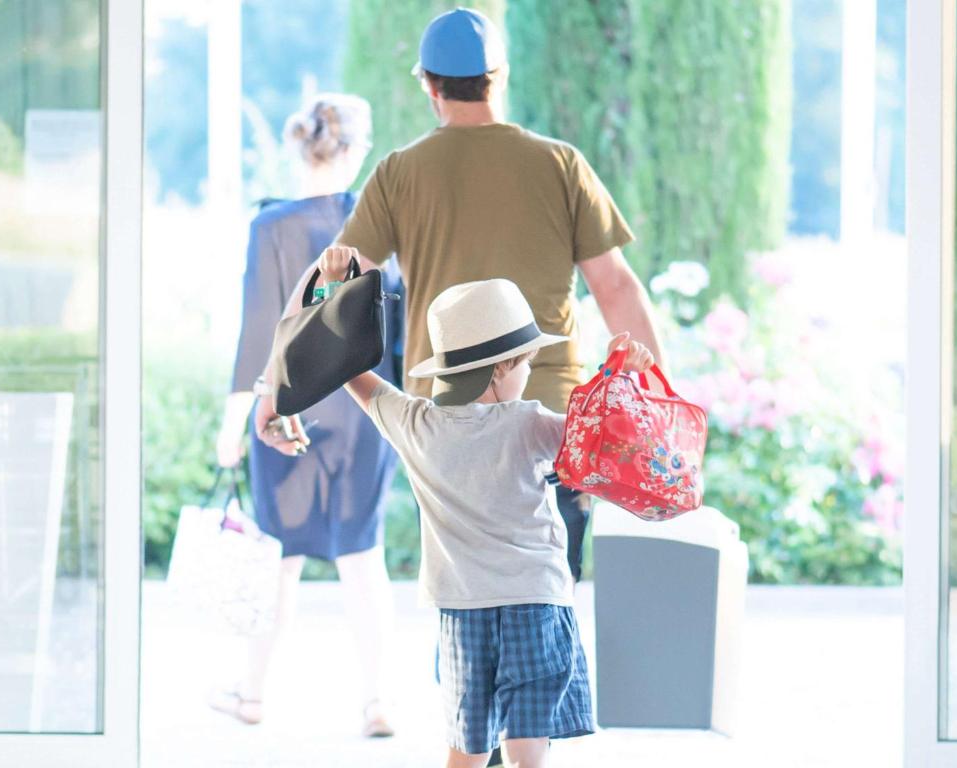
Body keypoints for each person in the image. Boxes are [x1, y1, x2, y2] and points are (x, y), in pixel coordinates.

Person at [254, 7, 664, 585]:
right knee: (552, 594)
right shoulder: (560, 164)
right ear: (501, 76)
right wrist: (655, 402)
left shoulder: (400, 173)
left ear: (430, 86)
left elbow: (331, 279)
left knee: (462, 597)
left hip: (448, 431)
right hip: (552, 417)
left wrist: (276, 387)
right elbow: (616, 287)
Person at [314, 256, 656, 768]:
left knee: (467, 751)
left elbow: (348, 370)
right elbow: (605, 443)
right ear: (499, 369)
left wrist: (330, 290)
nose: (529, 373)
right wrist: (618, 376)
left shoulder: (414, 425)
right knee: (527, 756)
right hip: (536, 602)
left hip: (463, 610)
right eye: (525, 362)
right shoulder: (530, 423)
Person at [212, 94, 403, 737]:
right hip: (368, 413)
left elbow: (258, 332)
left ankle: (253, 693)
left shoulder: (271, 227)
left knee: (279, 558)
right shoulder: (382, 228)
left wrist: (233, 424)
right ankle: (377, 702)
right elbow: (399, 329)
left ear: (301, 147)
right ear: (357, 150)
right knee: (364, 557)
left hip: (287, 412)